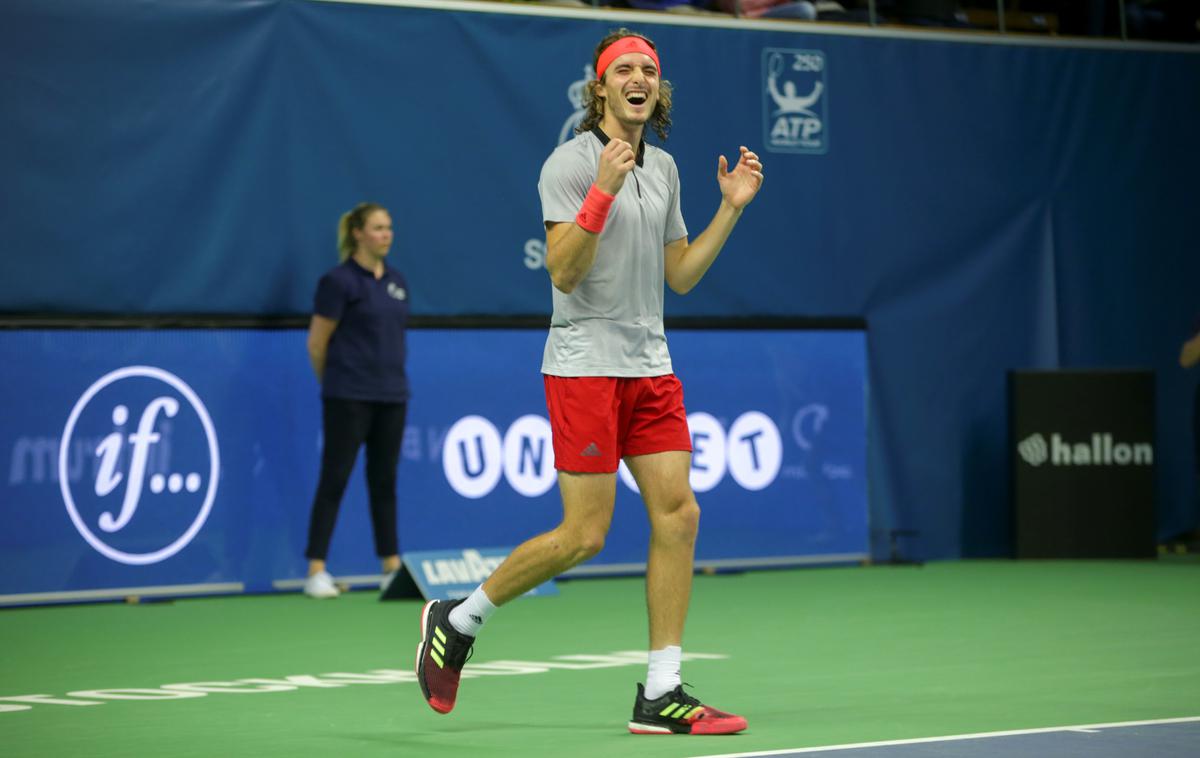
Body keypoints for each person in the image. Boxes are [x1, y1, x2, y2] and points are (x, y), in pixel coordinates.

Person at [415, 29, 763, 735]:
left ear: (656, 93)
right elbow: (564, 271)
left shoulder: (663, 169)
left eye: (650, 71)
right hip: (583, 366)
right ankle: (457, 619)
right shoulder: (569, 164)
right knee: (584, 535)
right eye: (624, 69)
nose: (639, 78)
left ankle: (661, 692)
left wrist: (730, 208)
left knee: (680, 514)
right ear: (600, 88)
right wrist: (601, 191)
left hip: (650, 365)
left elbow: (682, 277)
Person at [302, 202, 410, 599]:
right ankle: (316, 570)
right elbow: (317, 343)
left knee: (385, 481)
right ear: (358, 234)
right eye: (379, 228)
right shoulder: (337, 282)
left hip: (392, 396)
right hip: (347, 397)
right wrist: (334, 384)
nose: (386, 234)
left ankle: (390, 567)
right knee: (335, 478)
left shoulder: (397, 281)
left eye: (389, 227)